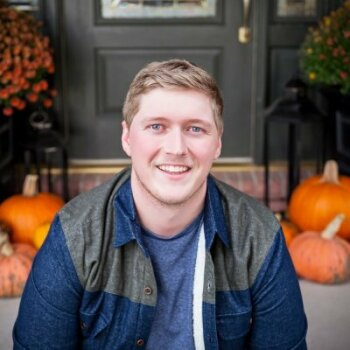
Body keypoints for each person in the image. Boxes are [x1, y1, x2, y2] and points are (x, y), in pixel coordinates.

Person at [13, 59, 307, 349]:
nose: (176, 149)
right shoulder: (75, 234)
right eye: (156, 126)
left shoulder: (259, 235)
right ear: (127, 137)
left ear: (217, 142)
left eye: (195, 129)